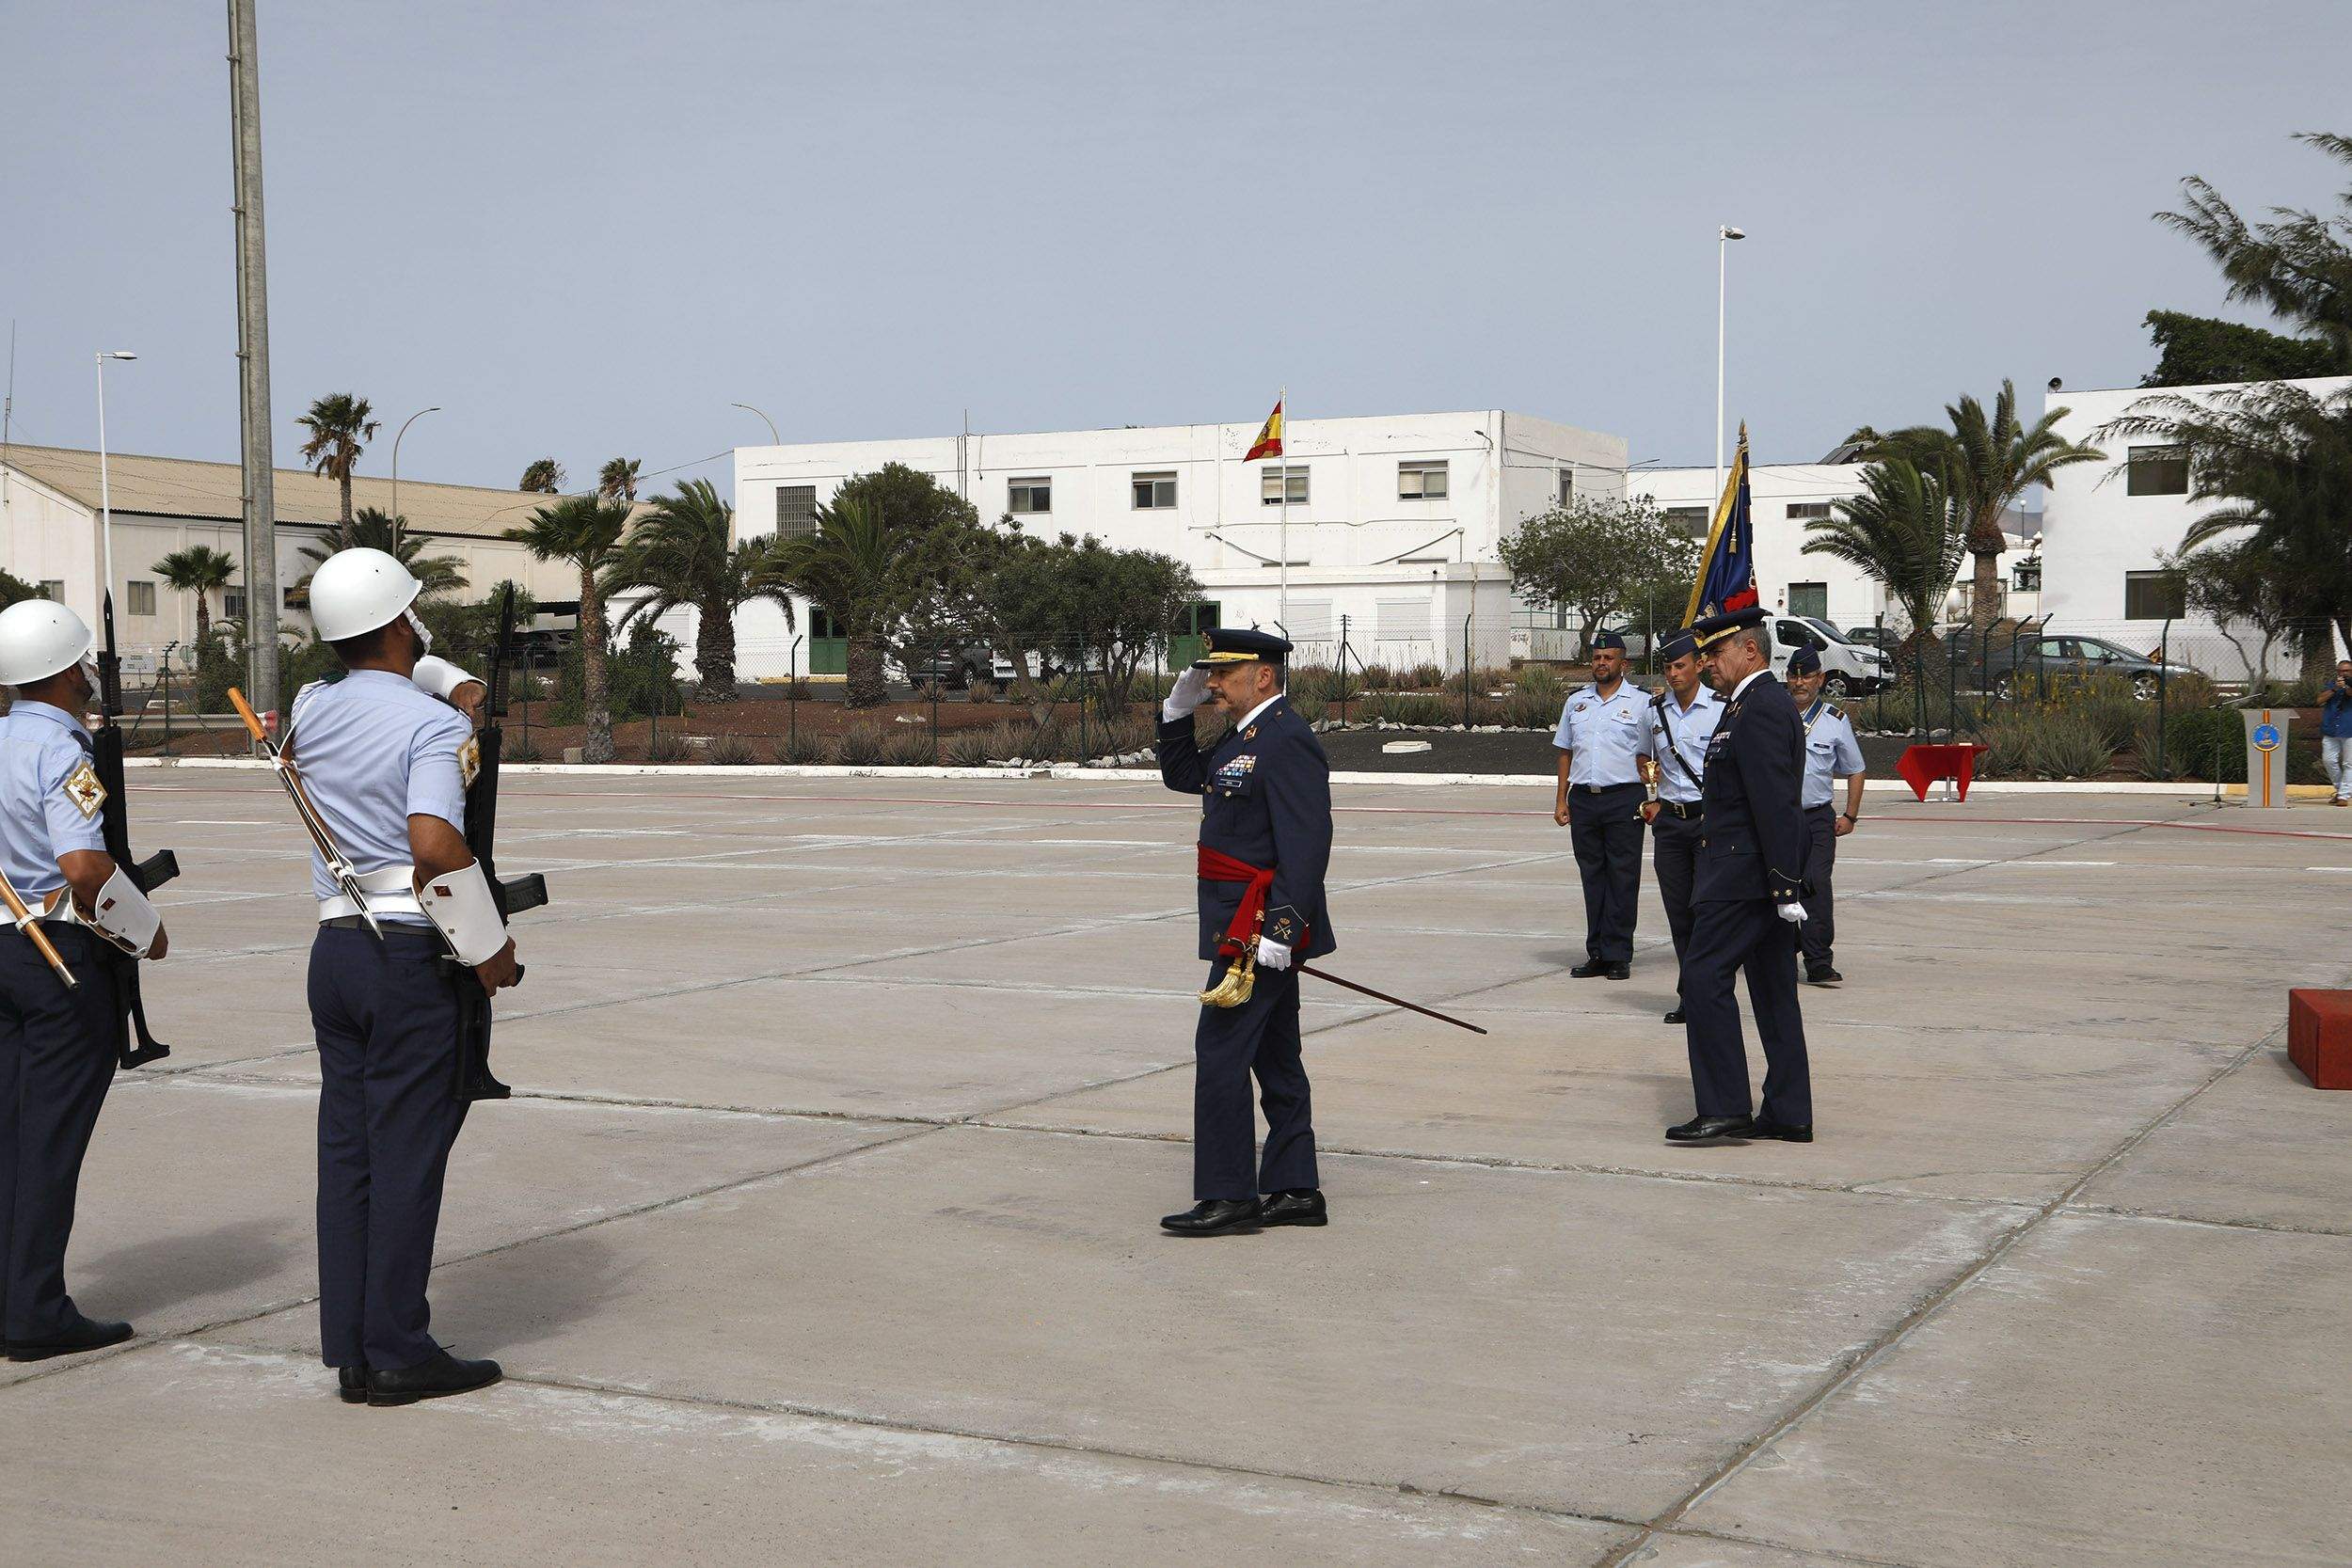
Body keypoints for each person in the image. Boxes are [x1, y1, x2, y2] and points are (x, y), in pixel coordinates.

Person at [290, 548, 516, 1405]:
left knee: (348, 1153)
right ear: (396, 623)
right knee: (409, 1153)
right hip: (409, 952)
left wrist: (448, 679)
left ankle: (353, 1341)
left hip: (336, 951)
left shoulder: (311, 707)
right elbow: (433, 849)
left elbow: (381, 666)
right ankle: (397, 1349)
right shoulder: (431, 728)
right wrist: (488, 947)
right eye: (416, 614)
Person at [0, 599, 168, 1361]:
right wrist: (145, 930)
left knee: (8, 1131)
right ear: (70, 671)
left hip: (3, 945)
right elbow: (84, 868)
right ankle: (34, 1311)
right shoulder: (64, 752)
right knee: (48, 1140)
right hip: (58, 953)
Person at [1154, 626, 1331, 1238]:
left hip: (1258, 930)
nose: (1212, 683)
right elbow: (1189, 777)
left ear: (1262, 674)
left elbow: (1306, 843)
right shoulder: (1247, 734)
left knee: (1221, 1051)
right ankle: (1295, 1186)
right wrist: (1175, 716)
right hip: (1242, 920)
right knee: (1275, 1055)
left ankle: (1229, 1194)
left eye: (1223, 673)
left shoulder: (1286, 738)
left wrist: (1282, 926)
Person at [1668, 607, 1814, 1145]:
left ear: (1749, 650)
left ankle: (1726, 1105)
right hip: (1750, 874)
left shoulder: (1761, 707)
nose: (1707, 662)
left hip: (1744, 878)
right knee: (1774, 992)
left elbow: (1775, 802)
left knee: (1704, 980)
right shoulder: (1748, 704)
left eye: (1716, 652)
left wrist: (1782, 883)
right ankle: (1787, 1110)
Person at [1637, 630, 1724, 1024]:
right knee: (1679, 914)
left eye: (1679, 665)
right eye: (1667, 667)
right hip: (1671, 824)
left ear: (1700, 665)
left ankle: (1711, 992)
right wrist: (1649, 783)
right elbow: (1644, 754)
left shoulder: (1721, 707)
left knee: (1708, 911)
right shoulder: (1654, 712)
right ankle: (1691, 995)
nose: (1672, 674)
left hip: (1710, 821)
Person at [1551, 630, 1648, 980]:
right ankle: (1597, 952)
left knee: (1622, 878)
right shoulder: (1576, 703)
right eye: (1597, 658)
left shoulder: (1641, 703)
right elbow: (1564, 751)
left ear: (1623, 663)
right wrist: (1561, 798)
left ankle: (1619, 954)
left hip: (1624, 799)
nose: (1601, 663)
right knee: (1592, 878)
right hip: (1584, 800)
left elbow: (1651, 754)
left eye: (1608, 658)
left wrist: (1655, 797)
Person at [1784, 647, 1866, 985]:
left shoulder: (1834, 720)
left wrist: (1850, 815)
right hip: (1778, 818)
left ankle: (1818, 960)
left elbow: (1855, 769)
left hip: (1816, 818)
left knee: (1815, 882)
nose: (1800, 682)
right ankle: (1782, 953)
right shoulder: (1773, 714)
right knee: (1779, 886)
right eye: (1794, 675)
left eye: (1807, 676)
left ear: (1820, 679)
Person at [2324, 660, 2352, 807]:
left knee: (2349, 764)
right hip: (2331, 730)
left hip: (2349, 729)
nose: (2343, 673)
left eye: (2346, 671)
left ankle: (2343, 795)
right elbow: (2319, 699)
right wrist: (2335, 688)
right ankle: (2341, 789)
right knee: (2328, 761)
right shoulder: (2332, 684)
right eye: (2340, 671)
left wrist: (2346, 685)